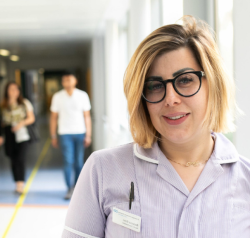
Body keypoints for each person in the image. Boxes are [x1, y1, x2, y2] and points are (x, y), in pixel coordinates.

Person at [62, 16, 250, 237]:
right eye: (154, 86)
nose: (170, 99)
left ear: (214, 84)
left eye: (185, 80)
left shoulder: (245, 180)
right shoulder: (103, 170)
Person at [50, 72, 92, 200]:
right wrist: (53, 135)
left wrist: (88, 134)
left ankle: (77, 188)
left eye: (70, 79)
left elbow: (87, 116)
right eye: (65, 80)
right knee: (68, 161)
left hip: (80, 132)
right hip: (64, 133)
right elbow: (53, 117)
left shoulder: (82, 95)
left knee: (79, 162)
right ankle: (69, 188)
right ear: (62, 82)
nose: (67, 82)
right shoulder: (57, 97)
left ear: (75, 81)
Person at [1, 82, 35, 194]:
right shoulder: (3, 105)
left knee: (20, 158)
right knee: (13, 159)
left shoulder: (24, 103)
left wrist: (21, 124)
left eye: (16, 89)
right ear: (7, 91)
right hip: (9, 134)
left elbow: (31, 118)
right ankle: (16, 182)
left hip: (22, 134)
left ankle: (21, 183)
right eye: (11, 89)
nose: (14, 92)